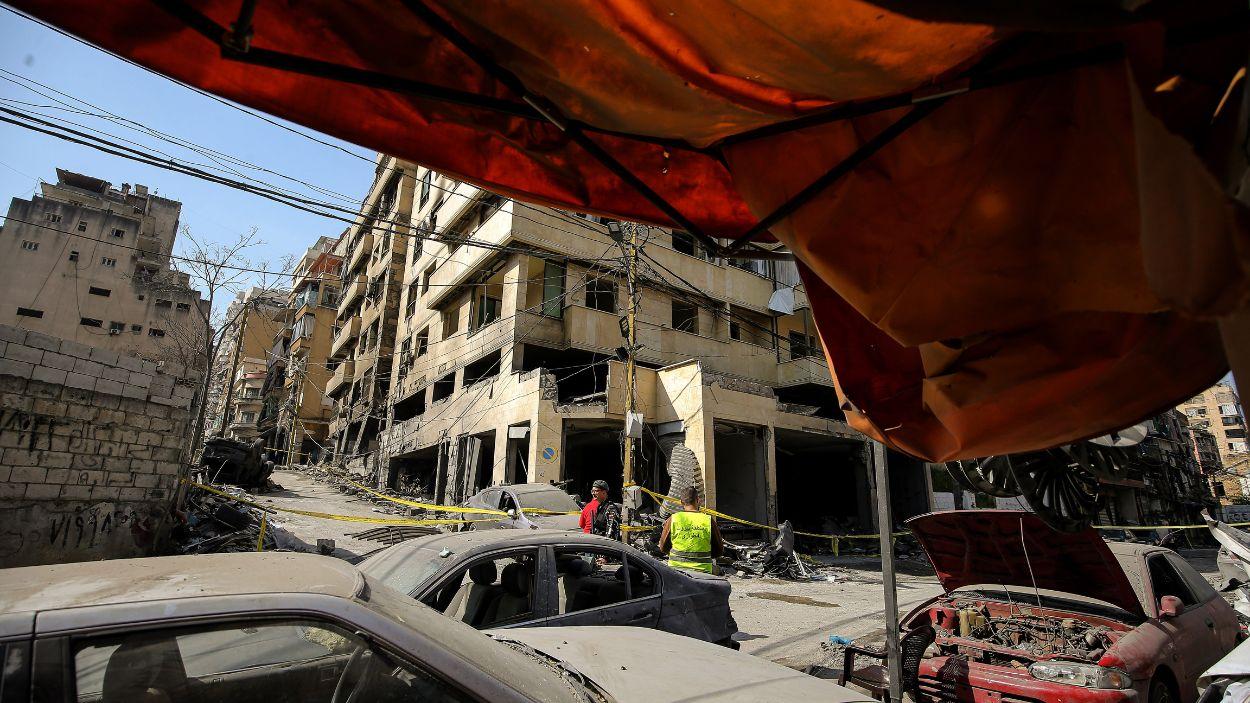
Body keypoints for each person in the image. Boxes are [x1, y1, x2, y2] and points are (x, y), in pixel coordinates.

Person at [658, 486, 723, 574]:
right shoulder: (708, 520)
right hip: (703, 571)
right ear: (698, 500)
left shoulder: (673, 519)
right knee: (719, 571)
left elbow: (663, 547)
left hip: (675, 571)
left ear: (681, 502)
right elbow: (718, 551)